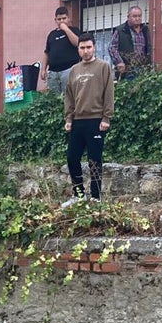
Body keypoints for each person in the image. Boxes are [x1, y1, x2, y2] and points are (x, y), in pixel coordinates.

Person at [62, 33, 114, 206]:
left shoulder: (103, 67)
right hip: (78, 121)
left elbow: (109, 94)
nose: (86, 51)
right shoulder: (74, 70)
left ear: (94, 47)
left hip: (96, 120)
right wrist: (69, 117)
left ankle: (96, 197)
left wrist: (106, 117)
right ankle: (78, 194)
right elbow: (69, 96)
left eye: (88, 47)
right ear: (78, 49)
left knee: (94, 160)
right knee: (72, 158)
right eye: (82, 48)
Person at [40, 6, 81, 94]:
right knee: (54, 99)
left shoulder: (74, 30)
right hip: (53, 72)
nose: (61, 21)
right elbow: (47, 52)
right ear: (55, 20)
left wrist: (66, 29)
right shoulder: (52, 34)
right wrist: (43, 69)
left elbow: (77, 43)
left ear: (68, 18)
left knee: (69, 96)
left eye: (64, 18)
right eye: (59, 19)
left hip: (69, 69)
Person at [108, 6, 152, 81]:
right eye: (134, 16)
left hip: (143, 70)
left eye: (139, 16)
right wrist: (119, 62)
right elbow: (112, 48)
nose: (137, 18)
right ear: (128, 17)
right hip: (127, 71)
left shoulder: (145, 30)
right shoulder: (121, 30)